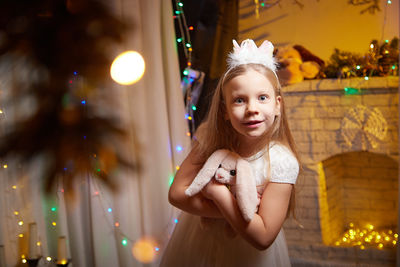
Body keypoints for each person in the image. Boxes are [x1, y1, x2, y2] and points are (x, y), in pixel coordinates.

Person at [160, 39, 300, 267]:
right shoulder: (210, 139)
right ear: (225, 110)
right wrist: (242, 213)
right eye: (239, 100)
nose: (252, 108)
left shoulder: (282, 161)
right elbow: (176, 194)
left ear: (277, 105)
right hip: (199, 245)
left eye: (262, 98)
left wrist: (218, 194)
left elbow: (263, 236)